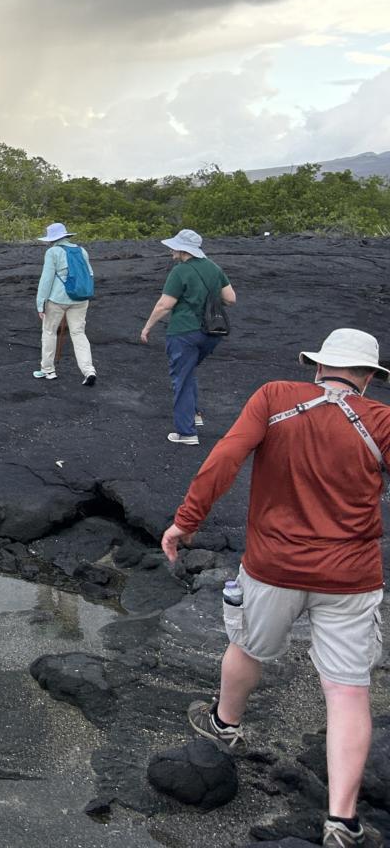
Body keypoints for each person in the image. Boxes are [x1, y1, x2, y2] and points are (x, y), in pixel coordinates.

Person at [161, 329, 390, 848]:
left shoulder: (275, 397)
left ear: (317, 368)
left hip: (272, 568)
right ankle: (342, 820)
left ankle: (224, 724)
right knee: (349, 691)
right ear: (370, 378)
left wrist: (186, 522)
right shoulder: (381, 420)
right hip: (350, 577)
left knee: (246, 647)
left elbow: (224, 459)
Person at [139, 229, 236, 444]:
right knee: (188, 371)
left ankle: (186, 433)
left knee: (181, 378)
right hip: (211, 333)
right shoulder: (214, 267)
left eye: (174, 247)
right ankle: (194, 414)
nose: (171, 250)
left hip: (184, 332)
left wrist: (147, 327)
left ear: (183, 250)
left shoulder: (180, 271)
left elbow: (165, 305)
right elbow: (230, 299)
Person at [34, 221, 96, 385]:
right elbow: (90, 273)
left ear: (51, 239)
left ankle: (48, 370)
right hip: (81, 299)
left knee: (49, 332)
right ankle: (88, 370)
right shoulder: (81, 250)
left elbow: (46, 280)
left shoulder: (52, 252)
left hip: (58, 299)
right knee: (78, 333)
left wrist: (40, 303)